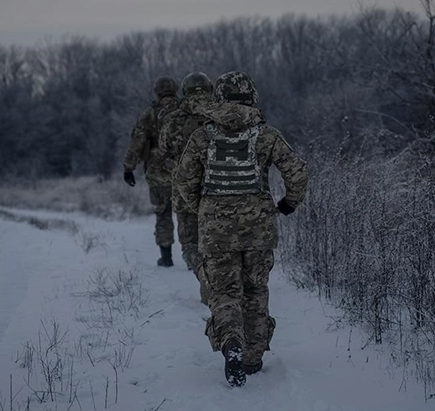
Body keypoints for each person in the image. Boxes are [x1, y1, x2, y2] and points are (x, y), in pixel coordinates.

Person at [174, 71, 308, 387]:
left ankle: (231, 342)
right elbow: (298, 172)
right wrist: (288, 203)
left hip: (215, 230)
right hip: (259, 229)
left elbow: (183, 180)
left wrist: (204, 209)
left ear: (219, 98)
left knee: (224, 292)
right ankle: (253, 357)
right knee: (255, 289)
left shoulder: (203, 136)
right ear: (251, 98)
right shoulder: (267, 135)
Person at [158, 71, 213, 304]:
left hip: (184, 191)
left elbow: (163, 150)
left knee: (190, 243)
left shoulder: (174, 118)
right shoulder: (220, 113)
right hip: (218, 190)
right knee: (216, 241)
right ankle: (220, 281)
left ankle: (203, 275)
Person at [122, 76, 181, 267]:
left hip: (158, 172)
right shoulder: (186, 111)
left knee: (163, 213)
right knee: (189, 214)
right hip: (186, 171)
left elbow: (137, 142)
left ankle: (166, 257)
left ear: (157, 91)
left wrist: (128, 168)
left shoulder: (149, 114)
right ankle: (193, 259)